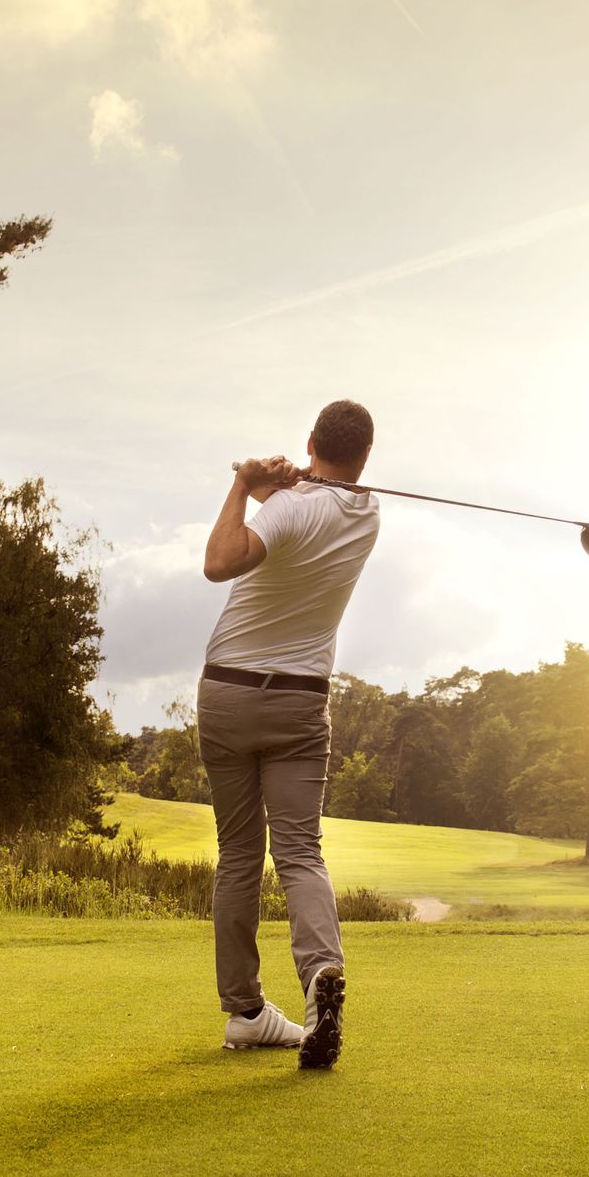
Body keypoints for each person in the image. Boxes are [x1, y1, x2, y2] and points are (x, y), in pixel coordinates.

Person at [197, 399, 380, 1069]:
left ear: (310, 441)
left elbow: (220, 561)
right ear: (365, 458)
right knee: (300, 851)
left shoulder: (288, 507)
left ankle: (245, 1011)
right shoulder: (366, 515)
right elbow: (306, 505)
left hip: (228, 691)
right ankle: (320, 974)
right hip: (301, 702)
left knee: (240, 854)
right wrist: (277, 483)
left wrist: (243, 484)